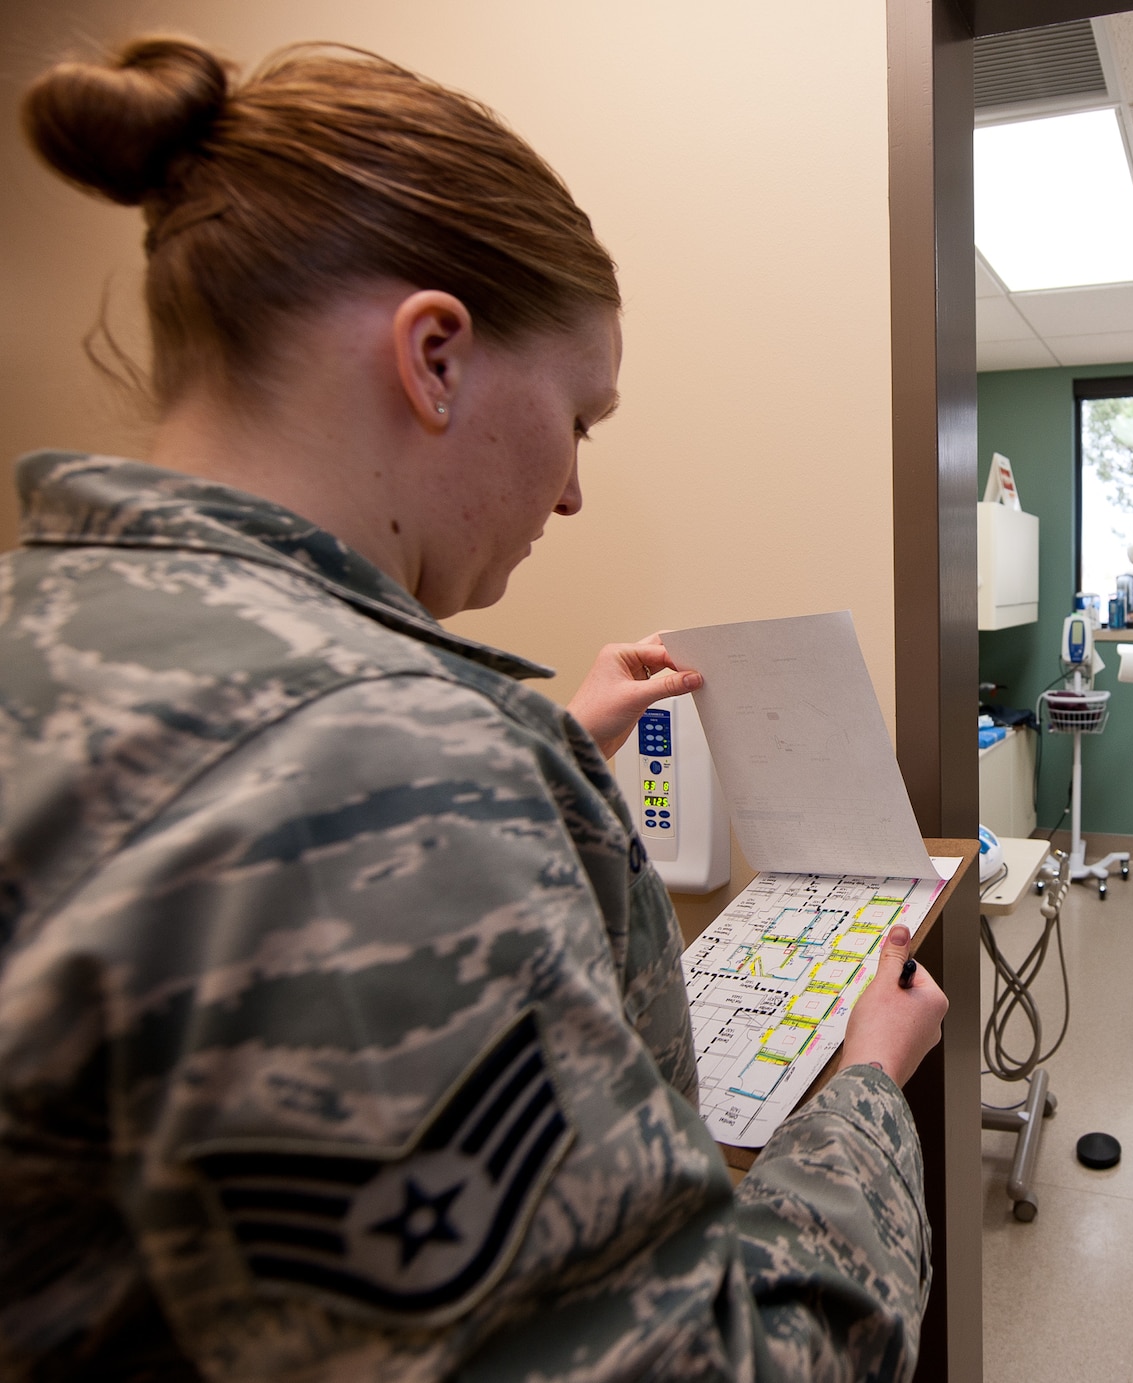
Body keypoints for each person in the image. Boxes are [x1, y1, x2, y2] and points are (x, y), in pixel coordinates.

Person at [0, 35, 947, 1382]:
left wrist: (541, 756)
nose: (570, 493)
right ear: (434, 356)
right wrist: (865, 1093)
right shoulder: (389, 765)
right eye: (581, 417)